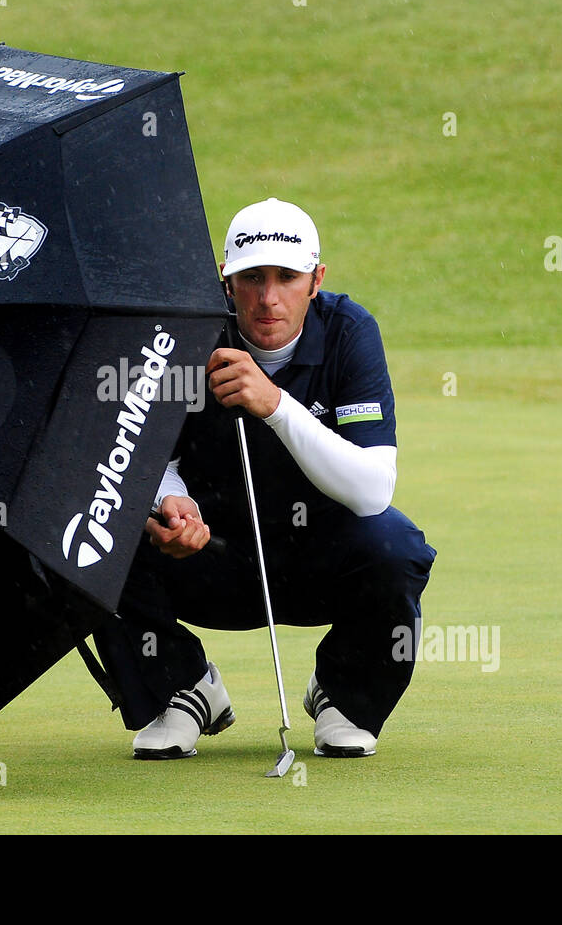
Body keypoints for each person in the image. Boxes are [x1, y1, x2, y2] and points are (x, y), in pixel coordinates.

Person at [92, 197, 437, 760]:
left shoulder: (350, 332)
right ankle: (180, 688)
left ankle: (344, 695)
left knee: (395, 546)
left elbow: (373, 488)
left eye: (287, 277)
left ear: (316, 280)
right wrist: (173, 506)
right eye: (251, 278)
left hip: (318, 562)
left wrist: (275, 404)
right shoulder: (183, 335)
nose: (268, 297)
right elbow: (141, 454)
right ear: (225, 282)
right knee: (97, 533)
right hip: (212, 557)